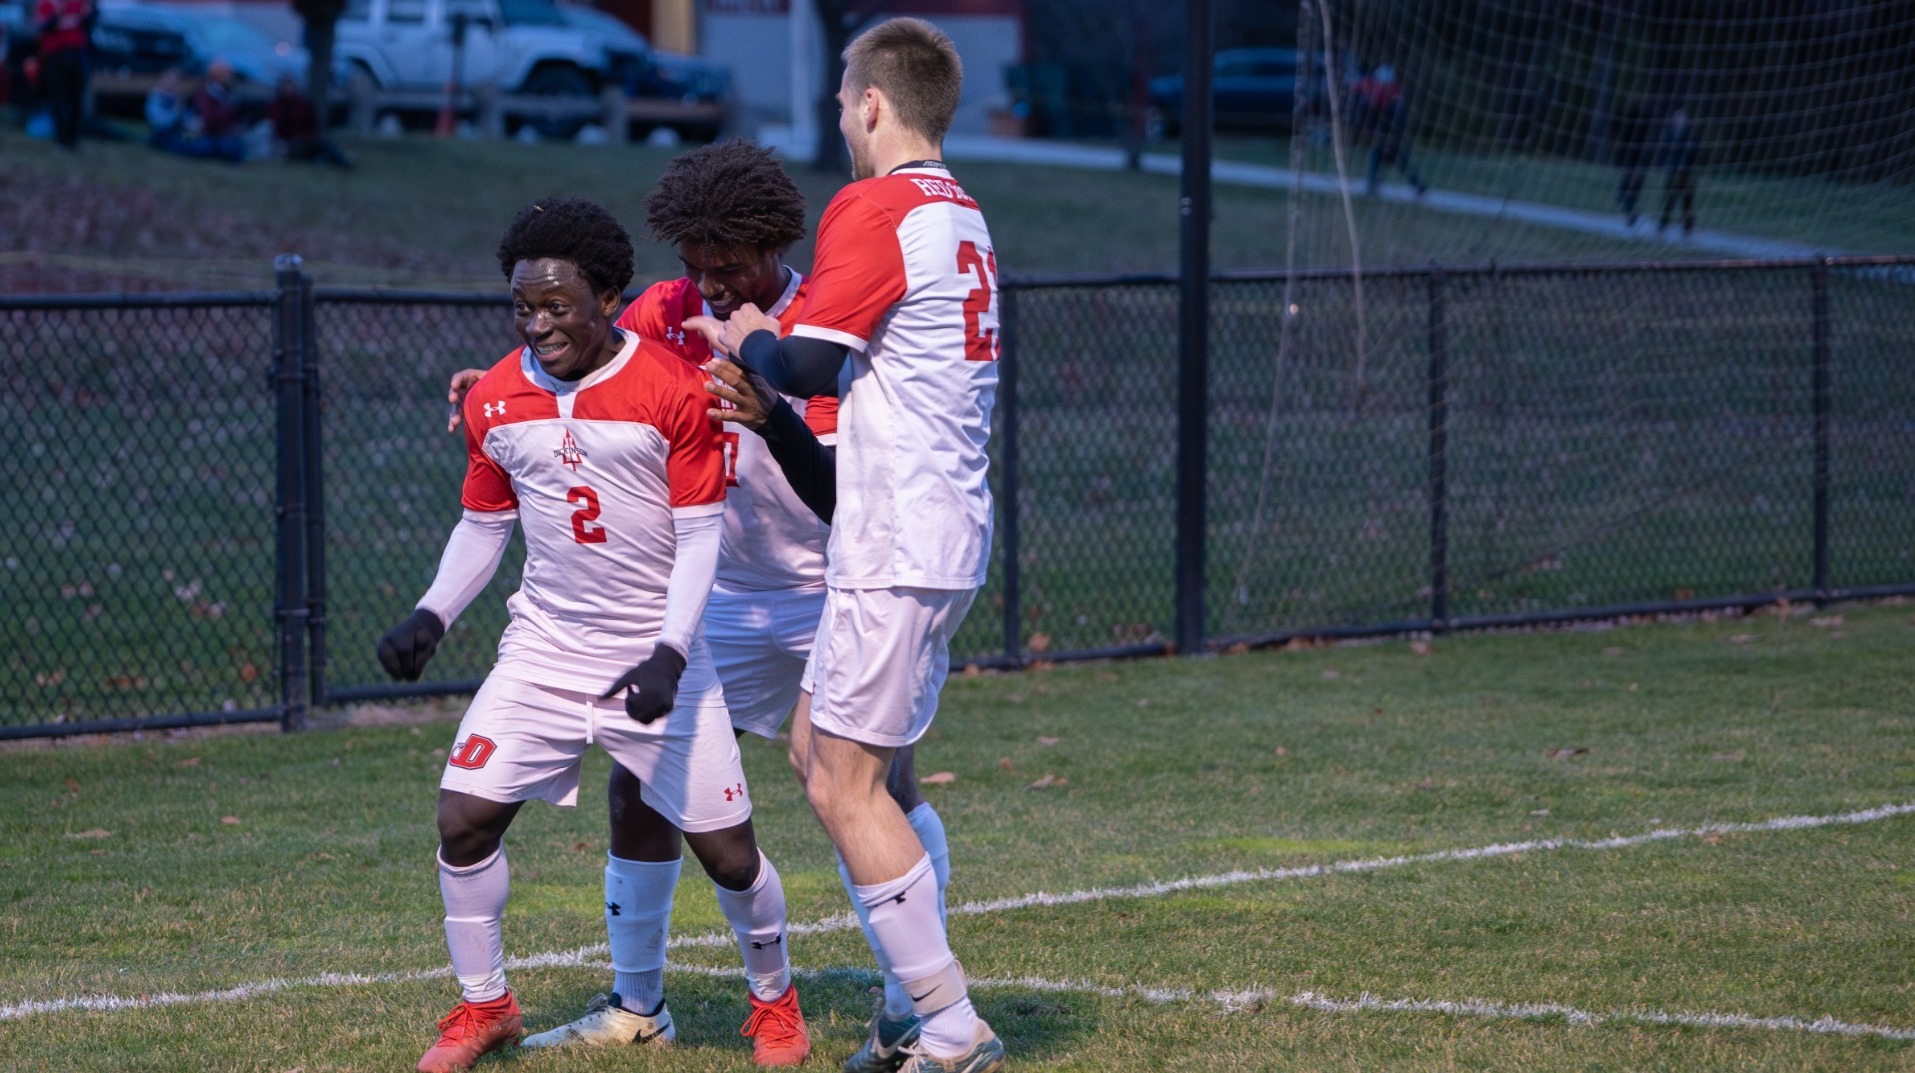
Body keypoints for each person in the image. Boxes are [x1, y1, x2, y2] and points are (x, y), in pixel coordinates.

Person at [445, 140, 950, 1065]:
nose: (711, 284)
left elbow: (845, 486)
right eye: (696, 265)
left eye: (730, 267)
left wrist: (772, 405)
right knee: (637, 780)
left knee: (871, 786)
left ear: (772, 248)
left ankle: (911, 1002)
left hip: (838, 585)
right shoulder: (667, 310)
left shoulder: (820, 327)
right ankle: (637, 1003)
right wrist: (494, 385)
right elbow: (581, 352)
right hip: (719, 595)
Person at [377, 196, 803, 1073]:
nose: (538, 325)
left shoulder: (672, 390)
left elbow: (698, 536)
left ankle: (774, 1003)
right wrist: (432, 613)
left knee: (728, 855)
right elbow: (484, 526)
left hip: (658, 649)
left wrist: (670, 651)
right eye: (523, 308)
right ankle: (486, 1005)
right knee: (463, 818)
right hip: (544, 646)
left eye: (557, 305)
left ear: (607, 295)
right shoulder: (496, 396)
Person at [689, 17, 1005, 1073]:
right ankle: (913, 1003)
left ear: (871, 103)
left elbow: (811, 361)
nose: (837, 119)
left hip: (899, 533)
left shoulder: (876, 203)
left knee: (843, 785)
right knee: (829, 758)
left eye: (838, 101)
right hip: (933, 524)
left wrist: (746, 345)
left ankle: (947, 1019)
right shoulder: (964, 211)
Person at [1353, 64, 1427, 197]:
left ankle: (1417, 185)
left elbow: (1399, 124)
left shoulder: (1394, 103)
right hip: (1383, 137)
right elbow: (1370, 118)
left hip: (1392, 139)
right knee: (1378, 157)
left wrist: (1391, 139)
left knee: (1399, 160)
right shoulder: (1378, 101)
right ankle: (1373, 184)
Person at [32, 0, 92, 149]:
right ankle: (61, 138)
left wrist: (83, 17)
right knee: (59, 98)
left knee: (76, 97)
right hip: (55, 55)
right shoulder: (48, 3)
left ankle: (73, 138)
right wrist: (59, 15)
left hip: (76, 54)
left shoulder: (80, 3)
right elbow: (43, 26)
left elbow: (88, 22)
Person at [268, 73, 352, 168]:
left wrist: (307, 136)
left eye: (289, 85)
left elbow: (311, 124)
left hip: (305, 139)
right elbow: (273, 126)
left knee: (322, 144)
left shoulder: (302, 104)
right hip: (287, 144)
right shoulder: (276, 106)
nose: (288, 89)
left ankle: (343, 162)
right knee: (304, 149)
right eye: (285, 86)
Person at [1657, 106, 1702, 236]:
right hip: (1673, 171)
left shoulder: (1690, 133)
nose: (1679, 120)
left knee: (1688, 201)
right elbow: (1664, 150)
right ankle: (1662, 225)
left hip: (1687, 172)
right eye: (1677, 117)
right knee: (1669, 200)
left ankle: (1688, 228)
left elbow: (1695, 150)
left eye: (1681, 117)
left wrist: (1690, 149)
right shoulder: (1669, 133)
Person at [1612, 99, 1654, 228]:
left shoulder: (1641, 135)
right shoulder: (1632, 132)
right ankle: (1633, 218)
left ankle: (1634, 218)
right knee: (1624, 194)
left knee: (1624, 193)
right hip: (1633, 166)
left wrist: (1637, 171)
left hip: (1637, 167)